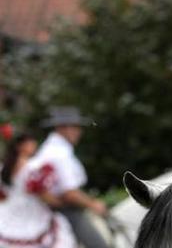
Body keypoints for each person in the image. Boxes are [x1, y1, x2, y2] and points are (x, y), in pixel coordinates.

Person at [32, 106, 109, 248]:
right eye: (74, 127)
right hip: (65, 209)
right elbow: (69, 194)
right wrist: (93, 204)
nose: (78, 132)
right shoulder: (60, 153)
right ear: (61, 128)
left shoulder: (52, 148)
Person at [0, 133, 77, 247]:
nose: (34, 145)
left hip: (9, 210)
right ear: (20, 146)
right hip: (31, 213)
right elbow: (43, 194)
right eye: (30, 143)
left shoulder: (5, 166)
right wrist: (60, 202)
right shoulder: (33, 167)